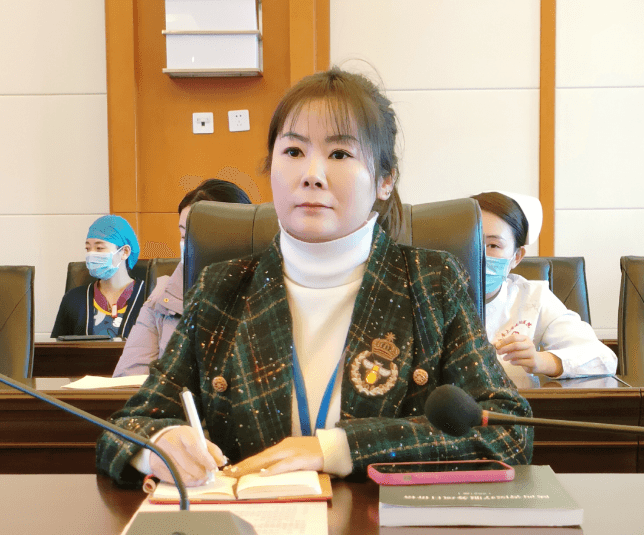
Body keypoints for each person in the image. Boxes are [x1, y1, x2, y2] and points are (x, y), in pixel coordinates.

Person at [97, 68, 532, 488]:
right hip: (251, 520)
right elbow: (126, 427)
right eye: (293, 152)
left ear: (384, 180)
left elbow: (508, 432)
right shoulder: (221, 289)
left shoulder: (431, 283)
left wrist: (337, 449)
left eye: (340, 154)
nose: (311, 175)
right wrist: (157, 446)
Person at [472, 191, 617, 384]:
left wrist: (541, 361)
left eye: (493, 245)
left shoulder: (532, 298)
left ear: (516, 257)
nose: (479, 255)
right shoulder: (432, 295)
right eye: (471, 243)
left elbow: (603, 358)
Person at [112, 179, 252, 377]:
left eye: (200, 236)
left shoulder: (272, 293)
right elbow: (128, 378)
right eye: (185, 236)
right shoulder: (161, 298)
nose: (190, 246)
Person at [52, 215, 144, 339]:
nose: (91, 254)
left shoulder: (150, 297)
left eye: (99, 248)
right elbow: (57, 348)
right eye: (88, 248)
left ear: (125, 252)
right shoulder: (73, 299)